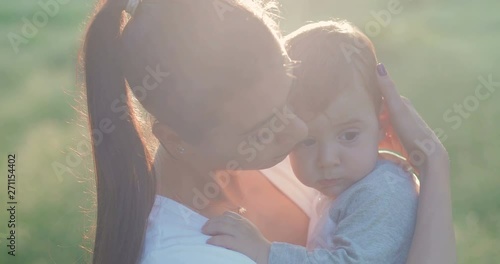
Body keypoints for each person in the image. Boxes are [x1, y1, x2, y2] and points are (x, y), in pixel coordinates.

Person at [81, 0, 456, 263]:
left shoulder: (328, 169)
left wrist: (433, 163)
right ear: (177, 139)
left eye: (288, 96)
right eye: (264, 129)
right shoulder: (190, 255)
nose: (297, 130)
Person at [202, 20, 420, 264]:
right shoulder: (350, 185)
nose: (327, 160)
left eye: (348, 135)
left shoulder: (384, 192)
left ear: (382, 121)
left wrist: (266, 252)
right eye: (307, 141)